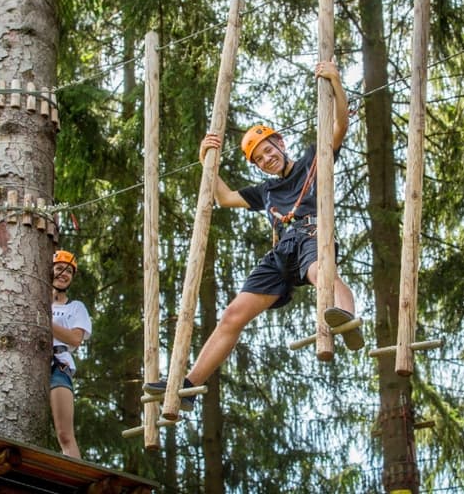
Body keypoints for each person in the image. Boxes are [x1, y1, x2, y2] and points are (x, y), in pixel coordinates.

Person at [144, 61, 363, 410]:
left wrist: (335, 81)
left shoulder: (312, 160)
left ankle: (347, 317)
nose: (267, 159)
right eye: (260, 159)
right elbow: (224, 197)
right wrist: (207, 163)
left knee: (320, 273)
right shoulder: (266, 191)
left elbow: (339, 125)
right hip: (280, 253)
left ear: (280, 143)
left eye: (269, 150)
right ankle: (188, 385)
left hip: (312, 235)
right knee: (232, 314)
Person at [50, 249, 92, 458]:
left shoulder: (75, 307)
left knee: (65, 435)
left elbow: (75, 338)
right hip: (29, 361)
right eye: (59, 268)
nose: (63, 274)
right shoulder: (33, 301)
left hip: (58, 365)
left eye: (68, 271)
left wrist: (43, 321)